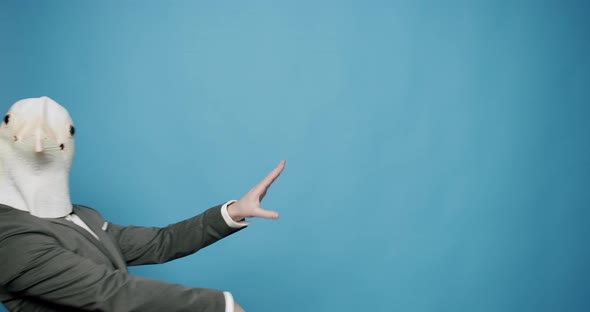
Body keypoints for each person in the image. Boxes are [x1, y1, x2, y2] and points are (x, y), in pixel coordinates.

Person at [0, 96, 285, 312]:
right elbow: (110, 291)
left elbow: (161, 242)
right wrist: (218, 304)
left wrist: (233, 212)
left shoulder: (83, 216)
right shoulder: (10, 238)